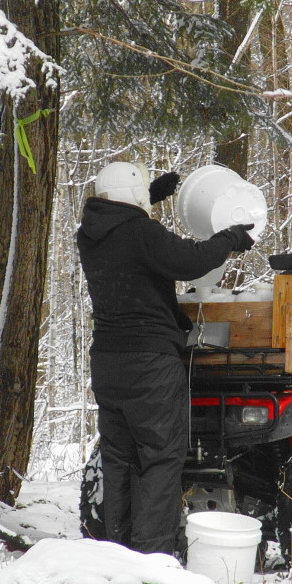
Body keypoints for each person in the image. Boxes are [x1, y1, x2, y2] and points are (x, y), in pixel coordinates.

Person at [76, 161, 255, 555]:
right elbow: (189, 260)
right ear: (133, 197)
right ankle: (150, 559)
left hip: (108, 363)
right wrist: (229, 238)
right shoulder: (142, 232)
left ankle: (114, 553)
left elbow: (123, 235)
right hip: (150, 365)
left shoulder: (88, 235)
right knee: (158, 457)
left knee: (119, 458)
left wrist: (149, 196)